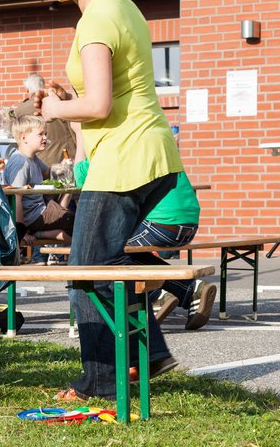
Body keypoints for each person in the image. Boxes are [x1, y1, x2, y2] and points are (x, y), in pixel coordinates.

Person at [36, 0, 183, 403]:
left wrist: (55, 109)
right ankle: (150, 354)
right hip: (148, 151)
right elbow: (115, 93)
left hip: (123, 161)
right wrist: (68, 98)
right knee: (110, 271)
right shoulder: (126, 8)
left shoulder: (96, 18)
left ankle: (100, 380)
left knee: (85, 274)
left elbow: (98, 104)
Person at [70, 125, 216, 331]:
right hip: (187, 222)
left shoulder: (113, 146)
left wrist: (79, 135)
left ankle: (156, 297)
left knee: (106, 252)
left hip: (161, 222)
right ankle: (190, 291)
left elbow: (80, 179)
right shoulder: (150, 139)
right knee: (126, 251)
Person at [2, 114, 73, 243]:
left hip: (41, 210)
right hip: (33, 218)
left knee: (76, 221)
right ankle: (39, 233)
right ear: (24, 138)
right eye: (40, 134)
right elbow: (16, 197)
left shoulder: (32, 158)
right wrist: (20, 233)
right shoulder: (20, 162)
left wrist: (63, 166)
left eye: (45, 134)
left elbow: (48, 173)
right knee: (75, 222)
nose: (45, 138)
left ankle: (46, 233)